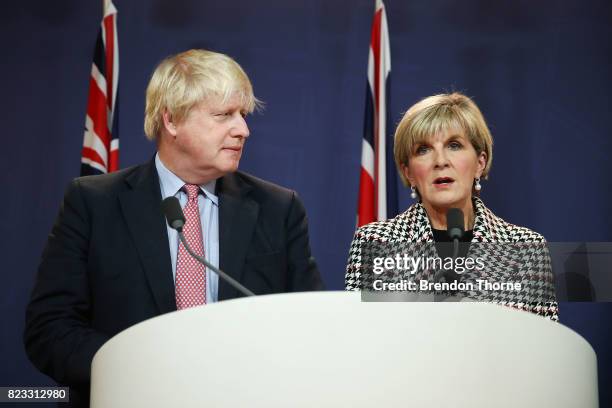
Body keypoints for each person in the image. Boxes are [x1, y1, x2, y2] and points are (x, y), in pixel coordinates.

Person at [24, 49, 323, 407]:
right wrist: (140, 366)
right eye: (223, 115)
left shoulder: (278, 208)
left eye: (242, 115)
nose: (243, 130)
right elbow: (50, 329)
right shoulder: (93, 203)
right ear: (172, 121)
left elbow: (308, 326)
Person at [345, 92, 557, 320]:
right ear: (409, 173)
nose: (440, 161)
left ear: (480, 163)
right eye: (423, 150)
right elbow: (362, 341)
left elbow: (542, 346)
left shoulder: (526, 250)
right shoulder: (375, 243)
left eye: (454, 145)